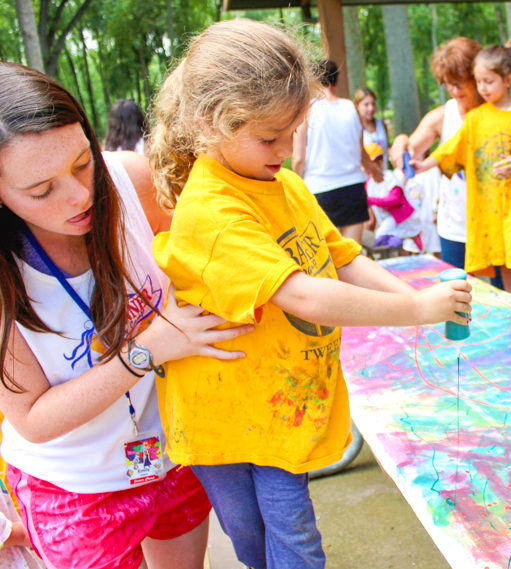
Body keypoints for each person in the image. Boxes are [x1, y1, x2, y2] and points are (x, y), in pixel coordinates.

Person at [149, 19, 471, 569]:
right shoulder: (212, 208)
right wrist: (414, 308)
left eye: (294, 130)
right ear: (212, 123)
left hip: (275, 404)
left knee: (291, 536)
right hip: (225, 413)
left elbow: (343, 259)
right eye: (269, 137)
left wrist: (418, 303)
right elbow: (303, 296)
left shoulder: (287, 184)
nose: (287, 148)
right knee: (255, 539)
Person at [0, 62, 252, 569]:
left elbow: (212, 270)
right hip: (77, 487)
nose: (80, 195)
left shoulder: (132, 180)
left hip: (172, 449)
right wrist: (146, 350)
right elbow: (33, 419)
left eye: (81, 162)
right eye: (41, 190)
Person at [413, 41, 511, 305]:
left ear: (507, 79)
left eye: (487, 82)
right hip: (488, 211)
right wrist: (425, 164)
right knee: (503, 260)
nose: (482, 88)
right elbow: (452, 148)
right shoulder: (477, 117)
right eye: (479, 82)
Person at [390, 37, 484, 268]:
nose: (454, 90)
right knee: (458, 295)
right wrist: (400, 141)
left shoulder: (495, 113)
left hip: (493, 223)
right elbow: (410, 148)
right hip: (455, 228)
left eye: (460, 82)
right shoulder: (444, 115)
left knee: (503, 296)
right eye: (448, 83)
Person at [292, 60, 380, 244]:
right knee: (352, 254)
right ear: (335, 81)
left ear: (313, 81)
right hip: (353, 188)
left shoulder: (307, 111)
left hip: (320, 189)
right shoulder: (350, 107)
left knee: (326, 257)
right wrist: (375, 172)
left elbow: (299, 158)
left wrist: (295, 189)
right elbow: (361, 151)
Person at [363, 143, 423, 252]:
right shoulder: (369, 183)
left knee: (382, 235)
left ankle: (412, 238)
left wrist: (370, 200)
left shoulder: (389, 177)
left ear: (380, 162)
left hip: (399, 217)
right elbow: (370, 210)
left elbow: (393, 199)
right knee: (388, 239)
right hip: (385, 219)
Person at [353, 87, 389, 163]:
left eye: (373, 104)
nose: (371, 108)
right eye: (366, 105)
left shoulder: (381, 125)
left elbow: (388, 148)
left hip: (383, 171)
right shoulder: (355, 128)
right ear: (357, 106)